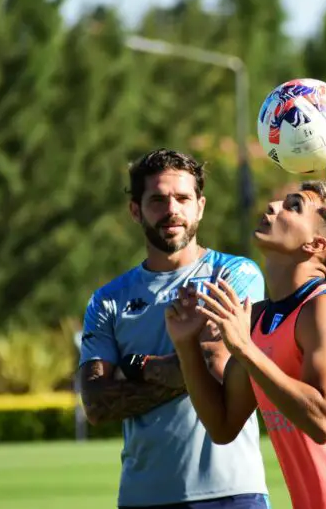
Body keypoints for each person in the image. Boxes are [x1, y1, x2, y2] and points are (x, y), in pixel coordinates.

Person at [165, 180, 326, 509]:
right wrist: (185, 346)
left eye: (293, 206)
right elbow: (222, 426)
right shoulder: (261, 319)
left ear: (316, 244)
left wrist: (245, 350)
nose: (273, 206)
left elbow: (323, 420)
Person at [78, 148, 270, 509]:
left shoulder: (233, 275)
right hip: (143, 497)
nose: (172, 210)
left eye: (183, 198)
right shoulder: (108, 299)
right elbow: (96, 403)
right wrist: (187, 364)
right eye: (158, 200)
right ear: (135, 210)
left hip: (231, 491)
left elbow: (218, 364)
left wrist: (136, 367)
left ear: (200, 206)